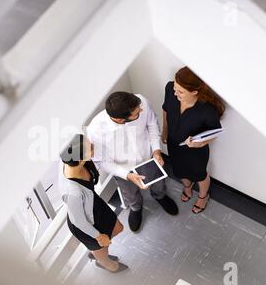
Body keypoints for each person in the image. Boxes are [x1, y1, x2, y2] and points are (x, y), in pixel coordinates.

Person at [87, 92, 178, 233]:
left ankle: (160, 196)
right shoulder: (95, 131)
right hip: (123, 169)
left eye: (140, 108)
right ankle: (136, 208)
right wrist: (127, 175)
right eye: (137, 113)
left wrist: (156, 151)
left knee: (159, 183)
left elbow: (152, 125)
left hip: (148, 158)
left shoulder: (140, 101)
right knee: (129, 193)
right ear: (120, 119)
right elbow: (101, 161)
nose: (141, 110)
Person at [59, 134, 128, 273]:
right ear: (81, 157)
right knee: (102, 243)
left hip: (95, 206)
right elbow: (78, 221)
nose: (93, 147)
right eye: (90, 147)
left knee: (118, 228)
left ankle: (97, 251)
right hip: (85, 222)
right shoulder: (72, 191)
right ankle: (104, 261)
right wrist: (98, 236)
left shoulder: (78, 161)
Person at [162, 66, 225, 214]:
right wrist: (165, 130)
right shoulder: (170, 88)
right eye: (175, 88)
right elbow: (165, 109)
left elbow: (214, 132)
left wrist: (201, 143)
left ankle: (203, 196)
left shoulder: (207, 110)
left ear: (195, 92)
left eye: (180, 92)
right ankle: (187, 187)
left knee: (200, 174)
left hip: (195, 151)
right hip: (174, 144)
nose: (175, 93)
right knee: (179, 170)